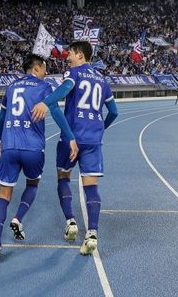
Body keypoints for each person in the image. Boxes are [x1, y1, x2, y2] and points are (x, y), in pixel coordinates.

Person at [31, 41, 118, 256]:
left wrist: (45, 102)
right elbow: (114, 111)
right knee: (91, 186)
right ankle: (93, 232)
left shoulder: (74, 72)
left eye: (69, 53)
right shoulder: (102, 79)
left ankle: (70, 221)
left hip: (71, 138)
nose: (67, 56)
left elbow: (66, 88)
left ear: (80, 55)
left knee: (63, 178)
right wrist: (100, 129)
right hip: (93, 141)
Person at [0, 54, 78, 260]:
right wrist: (70, 137)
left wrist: (0, 139)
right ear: (36, 68)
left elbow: (2, 115)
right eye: (44, 67)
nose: (46, 72)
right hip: (33, 149)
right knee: (33, 184)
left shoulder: (11, 87)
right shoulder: (44, 87)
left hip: (9, 146)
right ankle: (18, 219)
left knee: (3, 196)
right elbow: (56, 112)